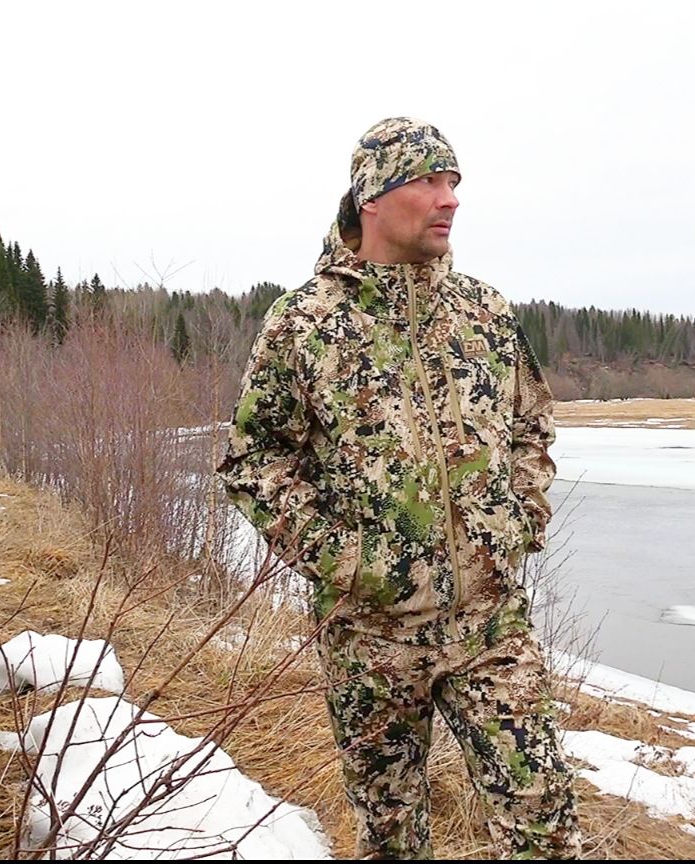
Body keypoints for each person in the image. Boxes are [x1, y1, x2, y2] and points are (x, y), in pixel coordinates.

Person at [217, 117, 580, 859]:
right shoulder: (305, 324)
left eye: (454, 182)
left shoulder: (483, 312)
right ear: (372, 197)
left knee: (544, 822)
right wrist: (343, 561)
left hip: (488, 625)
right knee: (391, 839)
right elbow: (255, 460)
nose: (449, 199)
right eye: (428, 181)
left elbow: (530, 427)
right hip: (370, 639)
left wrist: (517, 521)